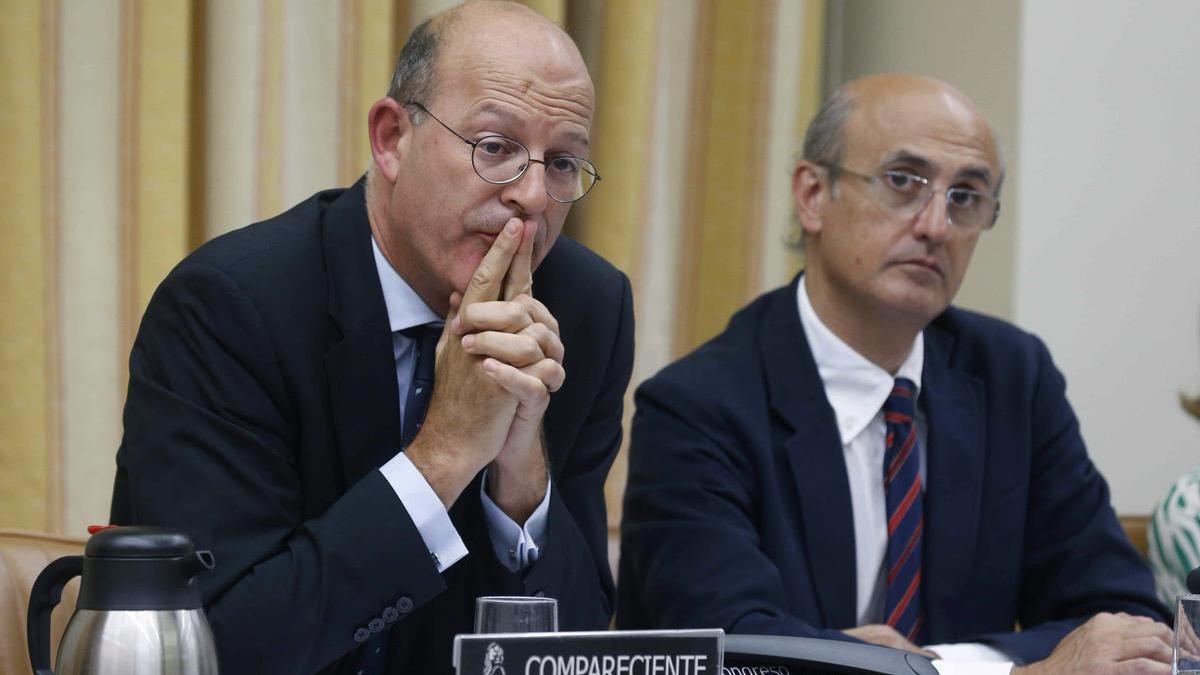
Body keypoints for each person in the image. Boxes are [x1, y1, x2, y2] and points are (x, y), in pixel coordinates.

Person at [109, 3, 633, 674]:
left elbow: (583, 642)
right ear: (392, 138)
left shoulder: (584, 309)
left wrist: (521, 473)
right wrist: (444, 453)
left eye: (562, 163)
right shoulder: (232, 308)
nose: (533, 195)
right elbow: (222, 644)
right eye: (496, 147)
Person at [617, 74, 1171, 674]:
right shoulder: (697, 407)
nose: (936, 225)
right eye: (903, 183)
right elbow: (736, 651)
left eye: (965, 196)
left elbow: (1123, 617)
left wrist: (940, 668)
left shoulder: (1014, 377)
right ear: (811, 194)